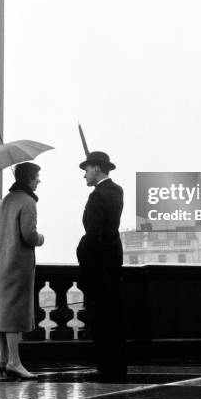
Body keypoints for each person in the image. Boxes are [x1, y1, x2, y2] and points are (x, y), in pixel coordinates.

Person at [0, 162, 44, 379]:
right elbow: (29, 235)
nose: (39, 180)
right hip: (18, 263)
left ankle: (3, 359)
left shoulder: (6, 201)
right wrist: (41, 238)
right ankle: (14, 361)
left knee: (2, 309)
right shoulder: (28, 201)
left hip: (0, 262)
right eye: (37, 176)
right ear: (29, 178)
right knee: (14, 312)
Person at [76, 151, 127, 380]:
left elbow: (94, 233)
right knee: (114, 317)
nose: (84, 175)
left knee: (100, 317)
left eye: (86, 169)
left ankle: (106, 365)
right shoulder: (116, 190)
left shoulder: (97, 196)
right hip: (113, 262)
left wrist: (82, 251)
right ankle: (116, 363)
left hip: (97, 267)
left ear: (96, 169)